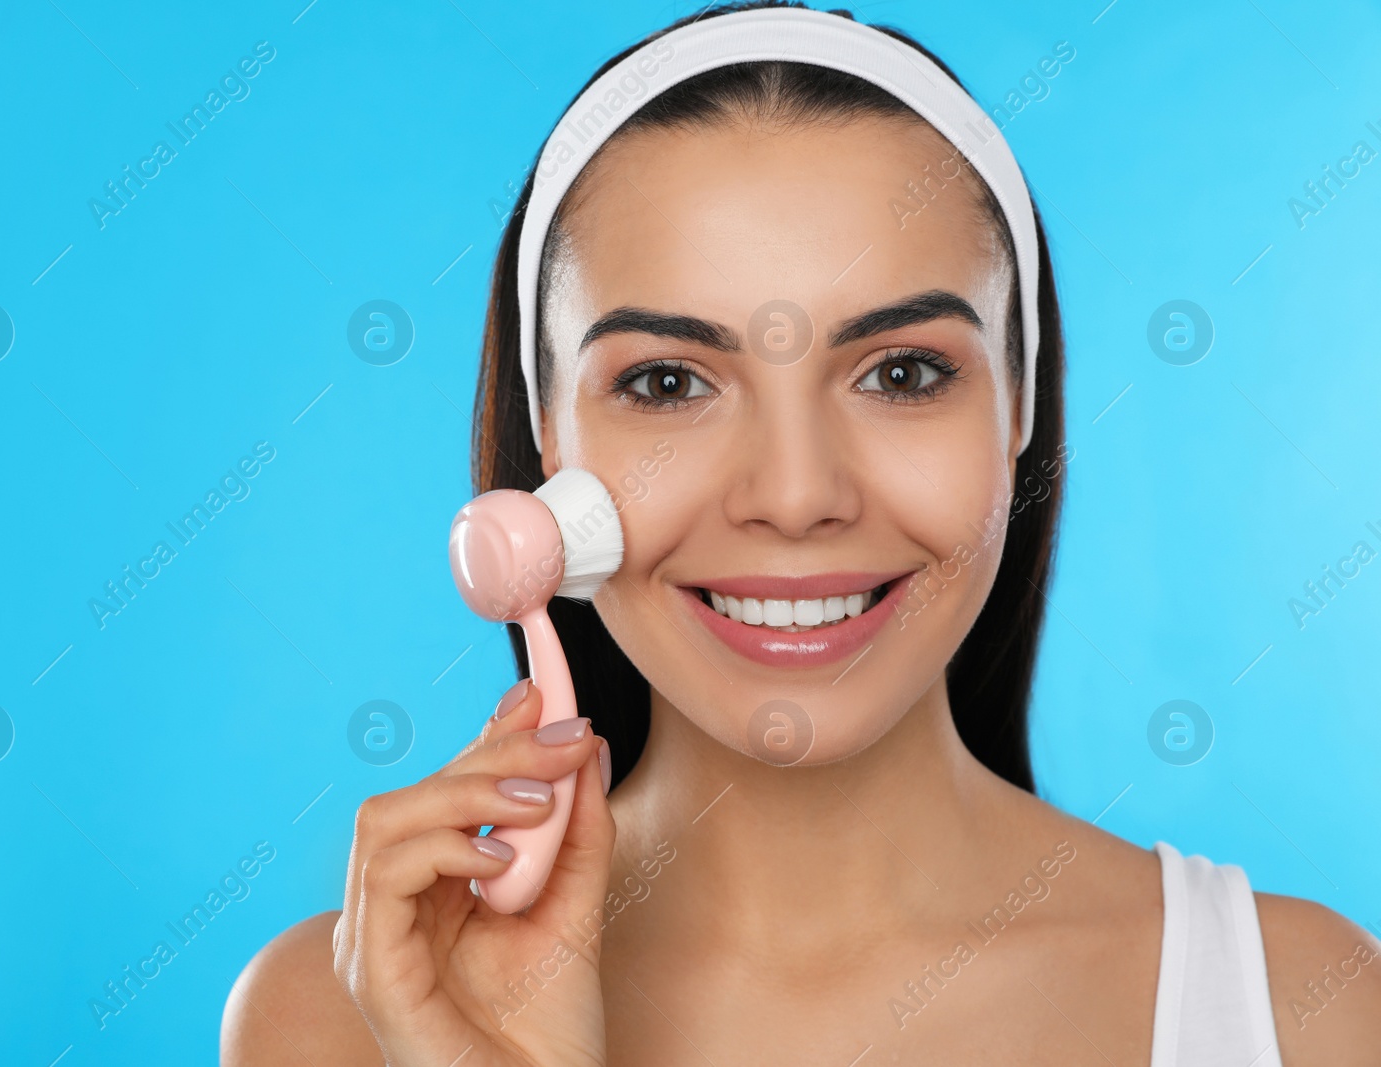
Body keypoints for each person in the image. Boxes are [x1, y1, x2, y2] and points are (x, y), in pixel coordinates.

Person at [222, 4, 1381, 1063]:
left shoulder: (1306, 1005)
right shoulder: (340, 1017)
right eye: (670, 382)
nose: (792, 493)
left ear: (1017, 401)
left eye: (902, 370)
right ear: (546, 439)